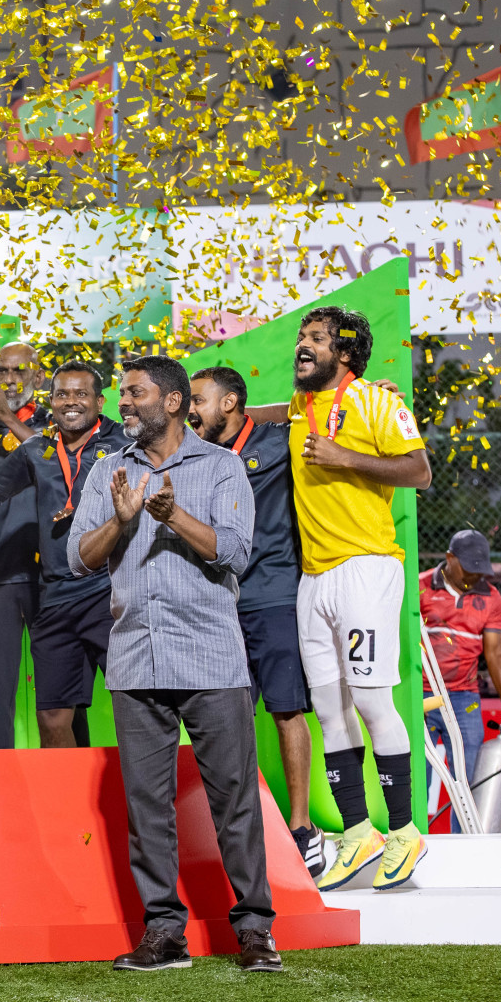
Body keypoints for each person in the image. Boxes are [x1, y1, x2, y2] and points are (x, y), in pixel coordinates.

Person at [69, 355, 279, 974]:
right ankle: (163, 933)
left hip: (211, 657)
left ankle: (256, 932)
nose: (123, 403)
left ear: (173, 402)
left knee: (233, 800)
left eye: (134, 393)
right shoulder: (108, 471)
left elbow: (234, 552)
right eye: (123, 393)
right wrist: (123, 520)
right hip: (135, 658)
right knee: (147, 807)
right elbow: (81, 558)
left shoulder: (221, 468)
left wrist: (171, 517)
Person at [249, 306, 433, 892]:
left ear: (346, 354)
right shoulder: (302, 407)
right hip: (315, 577)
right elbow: (265, 414)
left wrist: (345, 458)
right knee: (329, 710)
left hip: (365, 569)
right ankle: (358, 832)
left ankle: (404, 829)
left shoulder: (379, 402)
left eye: (317, 339)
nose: (303, 345)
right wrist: (219, 410)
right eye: (302, 336)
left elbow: (420, 471)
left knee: (374, 703)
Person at [188, 366, 323, 876]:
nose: (190, 409)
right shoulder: (194, 454)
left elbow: (314, 412)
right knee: (228, 718)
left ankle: (301, 827)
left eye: (199, 399)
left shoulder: (279, 438)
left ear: (229, 404)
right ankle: (239, 830)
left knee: (288, 711)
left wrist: (374, 395)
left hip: (274, 597)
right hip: (217, 602)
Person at [0, 361, 129, 748]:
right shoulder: (37, 448)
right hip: (56, 598)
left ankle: (140, 805)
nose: (71, 402)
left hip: (111, 595)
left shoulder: (125, 443)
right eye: (62, 394)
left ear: (100, 401)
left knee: (135, 705)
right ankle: (67, 808)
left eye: (81, 394)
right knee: (52, 718)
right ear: (52, 400)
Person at [0, 340, 50, 748]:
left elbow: (55, 467)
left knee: (59, 695)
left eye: (18, 371)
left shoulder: (58, 423)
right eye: (1, 370)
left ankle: (70, 784)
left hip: (49, 577)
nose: (8, 379)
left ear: (37, 377)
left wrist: (6, 417)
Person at [420, 530, 501, 831]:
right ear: (450, 559)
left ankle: (464, 846)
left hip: (465, 699)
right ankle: (413, 841)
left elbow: (495, 651)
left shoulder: (491, 597)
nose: (475, 577)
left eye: (480, 570)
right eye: (469, 569)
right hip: (419, 695)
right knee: (416, 775)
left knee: (471, 777)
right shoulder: (419, 587)